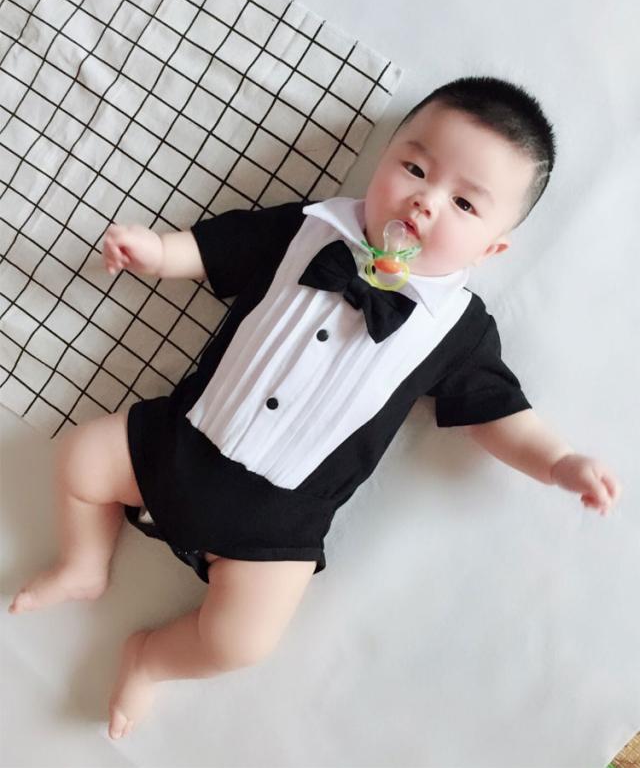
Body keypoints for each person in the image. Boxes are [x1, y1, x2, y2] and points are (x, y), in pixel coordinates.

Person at [8, 76, 622, 740]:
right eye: (415, 168)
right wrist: (159, 252)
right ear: (384, 159)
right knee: (81, 458)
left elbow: (497, 413)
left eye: (465, 203)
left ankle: (150, 658)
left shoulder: (457, 330)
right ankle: (84, 562)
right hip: (180, 439)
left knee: (242, 640)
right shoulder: (309, 229)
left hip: (277, 524)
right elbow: (217, 247)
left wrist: (559, 462)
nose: (425, 200)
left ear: (492, 248)